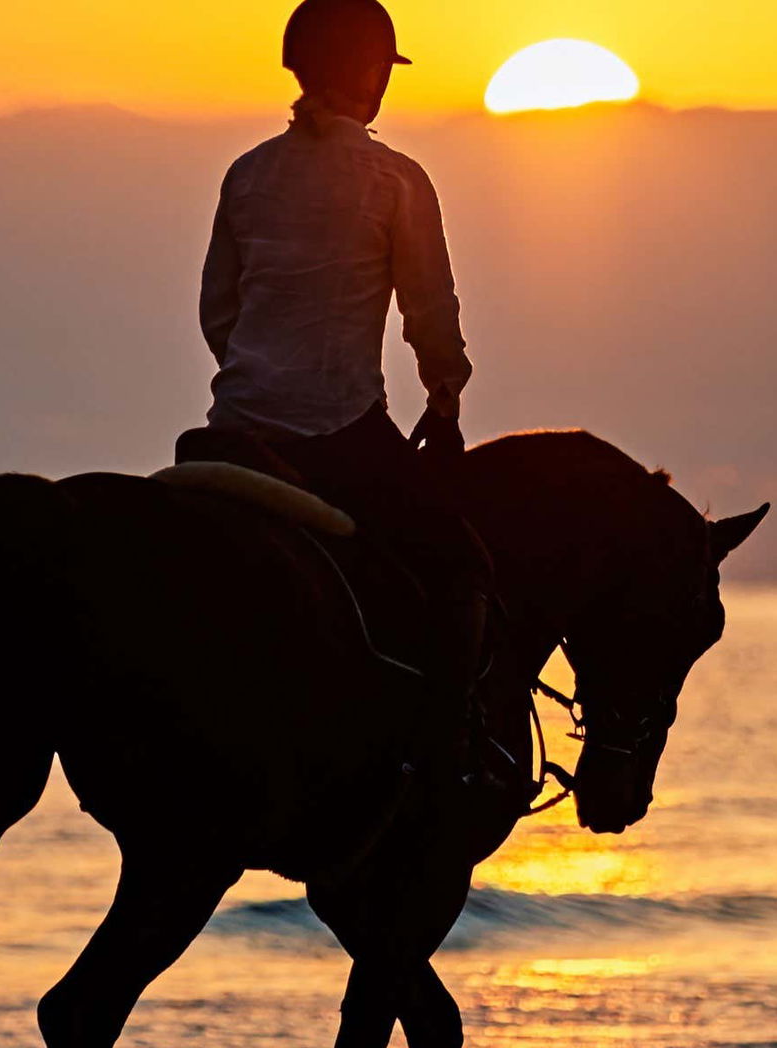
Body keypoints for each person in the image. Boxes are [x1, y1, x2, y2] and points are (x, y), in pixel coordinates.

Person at [188, 0, 493, 780]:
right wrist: (445, 397)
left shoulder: (248, 174)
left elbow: (218, 311)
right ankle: (442, 758)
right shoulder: (395, 180)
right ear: (369, 74)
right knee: (462, 569)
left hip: (233, 431)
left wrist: (258, 373)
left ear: (298, 69)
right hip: (339, 434)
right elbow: (430, 313)